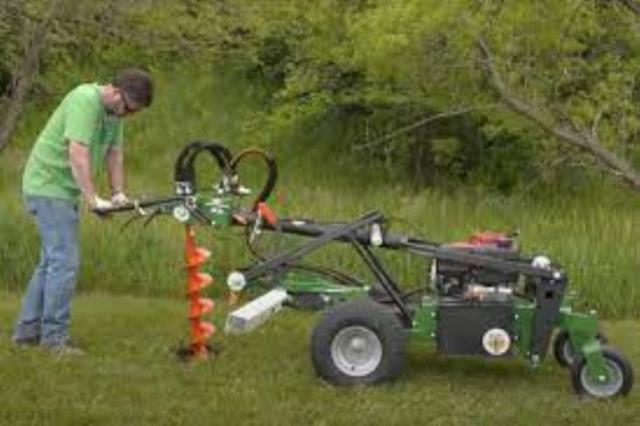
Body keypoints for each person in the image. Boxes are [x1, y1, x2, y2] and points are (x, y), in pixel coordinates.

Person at [12, 68, 153, 355]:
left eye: (133, 113)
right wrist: (91, 198)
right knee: (65, 262)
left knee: (51, 262)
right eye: (127, 108)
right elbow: (77, 151)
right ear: (115, 91)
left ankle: (27, 333)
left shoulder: (114, 114)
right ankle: (54, 340)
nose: (127, 116)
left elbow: (115, 153)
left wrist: (117, 194)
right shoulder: (84, 99)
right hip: (48, 185)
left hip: (62, 190)